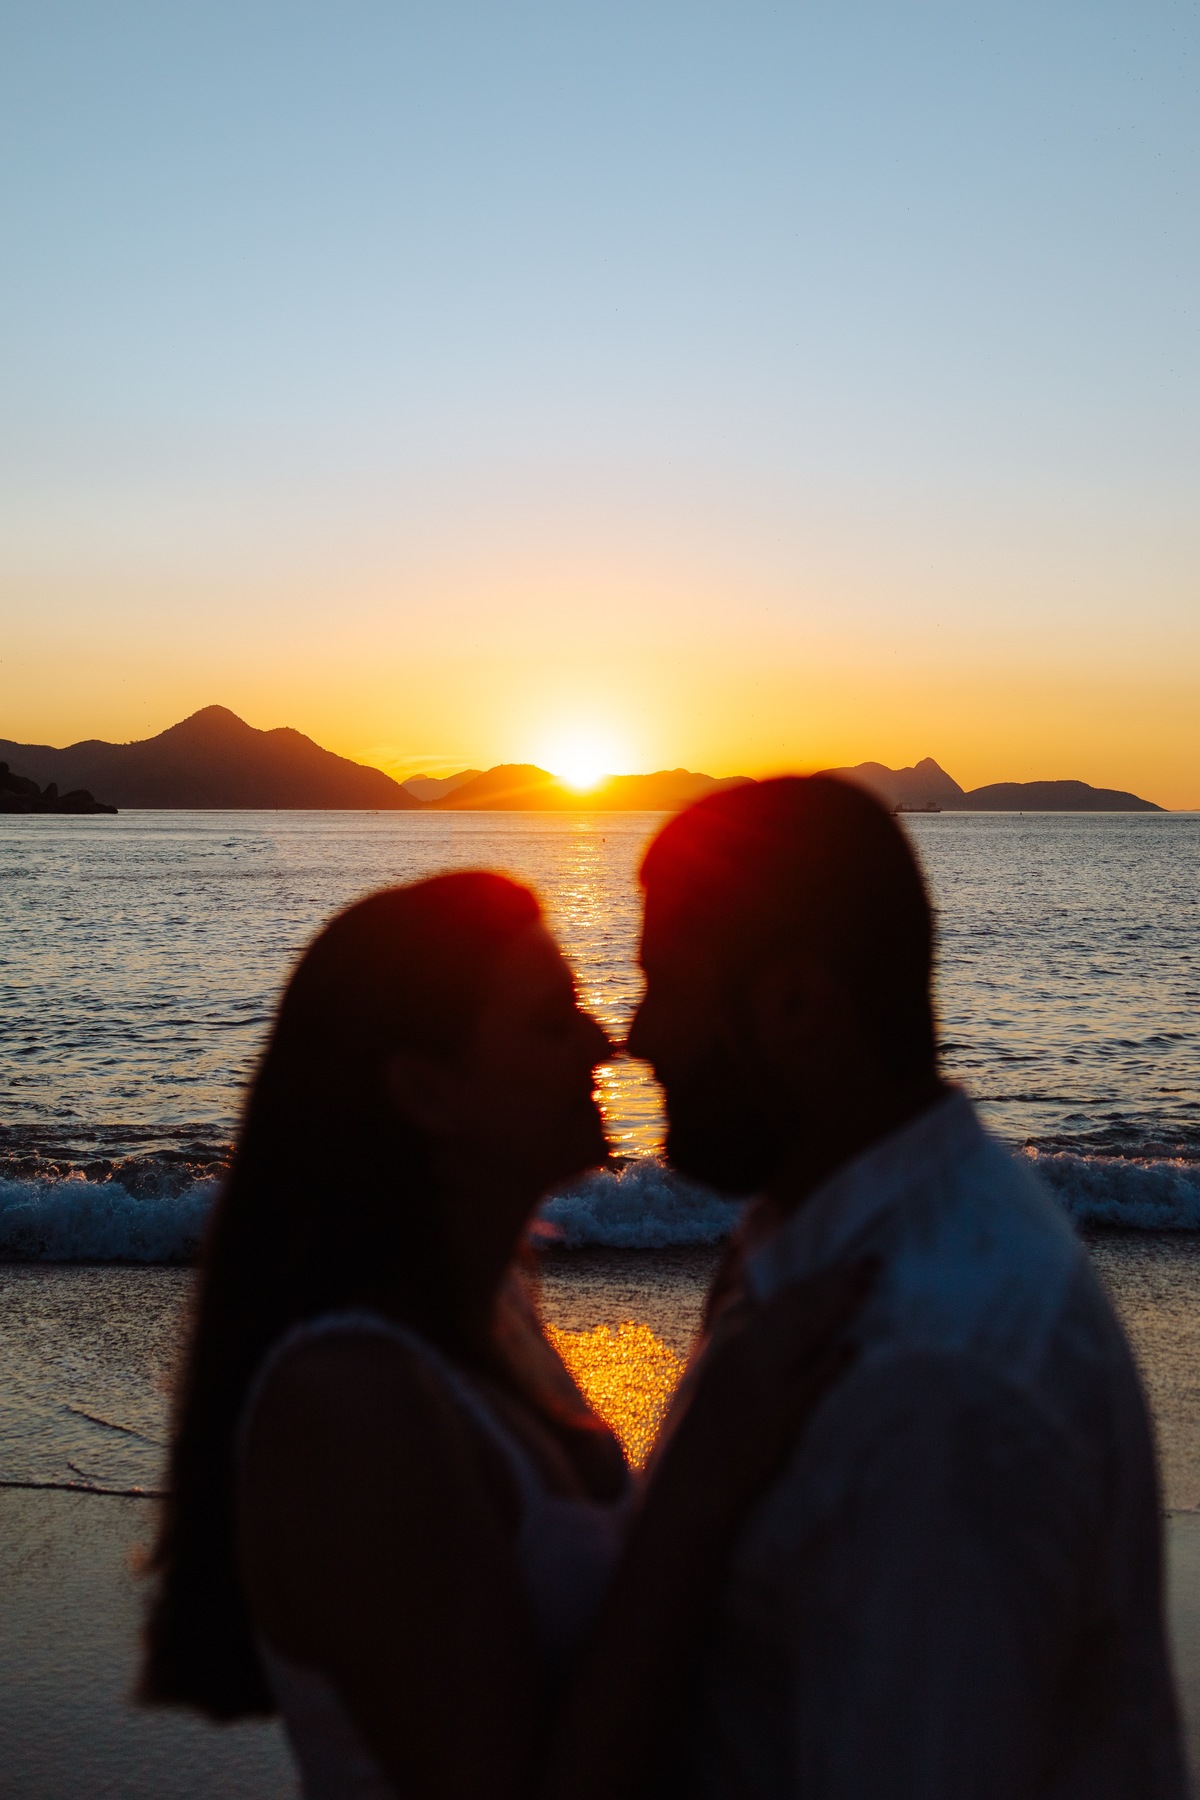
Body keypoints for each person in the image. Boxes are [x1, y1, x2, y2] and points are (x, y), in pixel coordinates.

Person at [139, 871, 865, 1800]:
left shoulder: (496, 1321)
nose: (606, 1043)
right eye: (551, 1023)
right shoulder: (354, 1404)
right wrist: (700, 1484)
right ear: (428, 1093)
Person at [585, 775, 1185, 1799]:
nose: (636, 1036)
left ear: (797, 1004)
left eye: (666, 986)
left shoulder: (933, 1381)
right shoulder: (822, 1236)